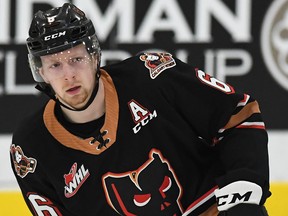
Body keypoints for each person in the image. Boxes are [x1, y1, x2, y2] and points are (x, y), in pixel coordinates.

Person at [10, 3, 270, 216]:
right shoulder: (31, 147)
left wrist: (244, 180)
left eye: (76, 59)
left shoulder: (151, 75)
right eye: (55, 65)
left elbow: (238, 113)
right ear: (40, 71)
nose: (69, 75)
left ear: (94, 57)